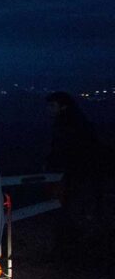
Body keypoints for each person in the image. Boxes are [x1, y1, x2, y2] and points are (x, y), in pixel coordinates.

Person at [45, 91, 110, 254]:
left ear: (63, 106)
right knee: (82, 206)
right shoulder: (77, 121)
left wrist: (53, 163)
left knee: (75, 206)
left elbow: (65, 148)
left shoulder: (67, 123)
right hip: (86, 170)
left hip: (79, 171)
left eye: (53, 106)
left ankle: (75, 246)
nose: (49, 109)